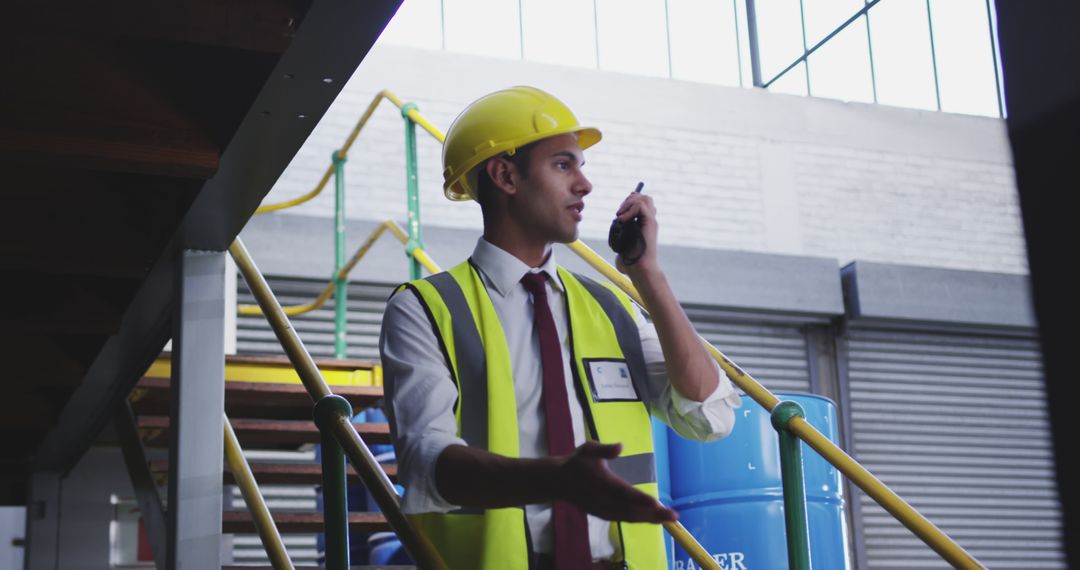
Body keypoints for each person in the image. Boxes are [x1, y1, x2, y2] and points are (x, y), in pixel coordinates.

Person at [379, 86, 741, 570]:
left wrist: (648, 276)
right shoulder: (423, 309)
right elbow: (427, 462)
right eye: (563, 165)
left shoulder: (610, 306)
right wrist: (556, 480)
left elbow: (707, 414)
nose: (585, 186)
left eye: (581, 167)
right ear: (505, 175)